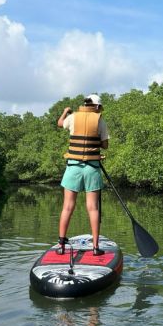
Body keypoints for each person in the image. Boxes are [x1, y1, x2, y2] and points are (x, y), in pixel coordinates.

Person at [56, 94, 108, 256]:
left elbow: (59, 124)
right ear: (97, 107)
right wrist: (93, 142)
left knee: (67, 206)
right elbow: (105, 145)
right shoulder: (100, 120)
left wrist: (65, 112)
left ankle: (61, 245)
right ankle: (95, 248)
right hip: (92, 168)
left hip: (73, 168)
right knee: (93, 208)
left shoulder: (73, 117)